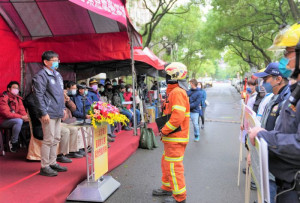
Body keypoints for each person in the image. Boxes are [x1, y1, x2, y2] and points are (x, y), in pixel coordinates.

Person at [249, 23, 300, 203]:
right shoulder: (296, 91)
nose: (285, 58)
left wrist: (266, 137)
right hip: (285, 185)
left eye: (288, 52)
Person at [152, 62, 190, 203]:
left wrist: (164, 130)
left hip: (175, 138)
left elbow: (178, 117)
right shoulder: (174, 91)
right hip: (172, 138)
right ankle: (167, 188)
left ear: (174, 76)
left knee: (174, 167)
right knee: (166, 164)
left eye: (167, 75)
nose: (165, 77)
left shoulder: (177, 92)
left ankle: (180, 198)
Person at [32, 50, 67, 177]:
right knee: (48, 139)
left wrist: (63, 108)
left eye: (58, 60)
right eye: (54, 60)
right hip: (48, 113)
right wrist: (43, 112)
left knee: (56, 138)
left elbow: (60, 94)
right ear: (46, 62)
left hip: (57, 111)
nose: (57, 62)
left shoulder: (57, 75)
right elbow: (38, 95)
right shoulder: (41, 76)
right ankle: (44, 166)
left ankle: (53, 162)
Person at [0, 81, 29, 152]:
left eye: (17, 88)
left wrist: (26, 117)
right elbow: (6, 114)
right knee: (18, 121)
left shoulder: (18, 99)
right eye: (14, 88)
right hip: (3, 120)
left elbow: (22, 111)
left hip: (14, 119)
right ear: (9, 89)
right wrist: (21, 117)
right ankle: (14, 142)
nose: (16, 90)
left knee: (30, 121)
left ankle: (29, 145)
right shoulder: (3, 98)